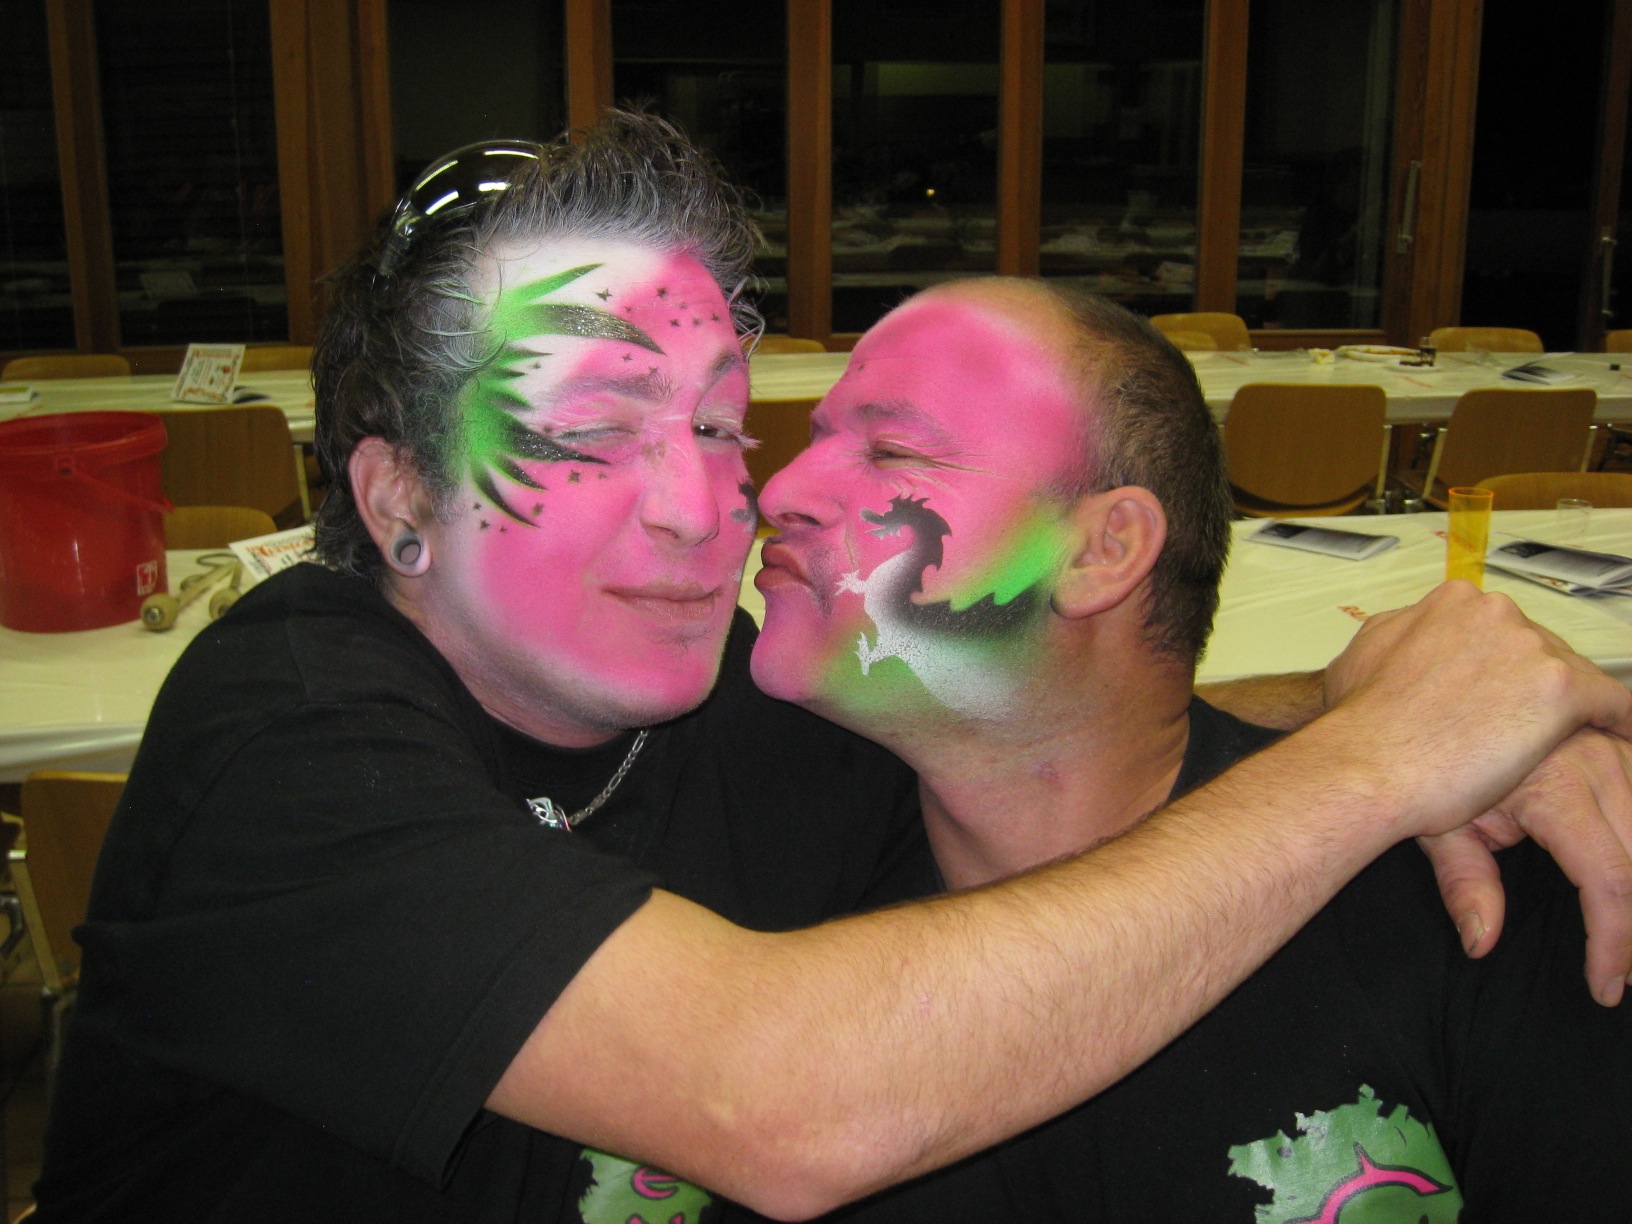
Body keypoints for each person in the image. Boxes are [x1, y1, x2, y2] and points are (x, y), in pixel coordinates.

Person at [33, 113, 1632, 1224]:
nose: (717, 501)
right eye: (592, 430)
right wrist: (1382, 760)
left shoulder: (744, 708)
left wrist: (1407, 708)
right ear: (397, 500)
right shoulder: (293, 734)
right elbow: (786, 1100)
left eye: (721, 422)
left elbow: (1053, 725)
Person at [744, 278, 1631, 1221]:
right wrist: (1377, 723)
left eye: (892, 450)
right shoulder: (753, 859)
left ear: (1101, 551)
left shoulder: (1467, 893)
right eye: (814, 441)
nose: (781, 490)